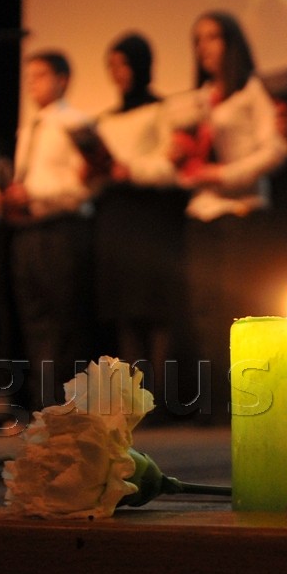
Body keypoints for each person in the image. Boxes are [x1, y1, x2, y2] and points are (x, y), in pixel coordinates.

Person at [162, 11, 287, 418]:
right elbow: (182, 171)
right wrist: (178, 161)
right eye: (198, 39)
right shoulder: (196, 100)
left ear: (232, 43)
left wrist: (223, 174)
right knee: (205, 310)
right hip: (202, 213)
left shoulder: (252, 91)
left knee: (241, 310)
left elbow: (276, 150)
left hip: (242, 212)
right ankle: (216, 402)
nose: (204, 47)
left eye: (213, 37)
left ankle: (249, 400)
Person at [3, 51, 96, 410]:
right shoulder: (30, 126)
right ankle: (44, 402)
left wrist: (36, 193)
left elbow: (84, 188)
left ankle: (67, 403)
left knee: (64, 321)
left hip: (64, 230)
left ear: (62, 79)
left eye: (40, 75)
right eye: (29, 77)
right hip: (30, 230)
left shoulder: (78, 123)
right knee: (34, 318)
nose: (32, 84)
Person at [92, 32, 186, 390]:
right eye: (111, 65)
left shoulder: (163, 109)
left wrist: (129, 170)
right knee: (124, 309)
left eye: (123, 63)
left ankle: (161, 393)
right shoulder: (103, 119)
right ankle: (135, 395)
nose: (117, 72)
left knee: (156, 306)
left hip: (151, 217)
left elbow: (171, 164)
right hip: (115, 217)